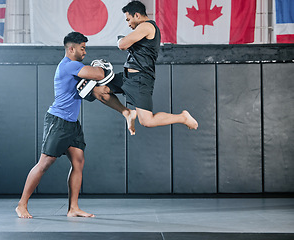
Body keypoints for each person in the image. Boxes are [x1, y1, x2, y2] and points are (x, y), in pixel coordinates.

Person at [15, 32, 114, 218]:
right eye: (82, 48)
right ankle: (22, 205)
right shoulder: (69, 65)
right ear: (71, 49)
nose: (85, 52)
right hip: (58, 121)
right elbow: (99, 74)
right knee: (44, 163)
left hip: (72, 123)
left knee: (78, 162)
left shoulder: (75, 66)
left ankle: (73, 208)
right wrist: (100, 67)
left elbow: (95, 80)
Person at [92, 0, 198, 130]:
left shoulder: (146, 26)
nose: (128, 23)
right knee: (99, 90)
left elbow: (122, 45)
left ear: (137, 15)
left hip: (140, 80)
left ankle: (183, 117)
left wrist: (120, 39)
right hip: (128, 77)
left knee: (147, 121)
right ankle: (127, 113)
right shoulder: (142, 30)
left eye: (128, 19)